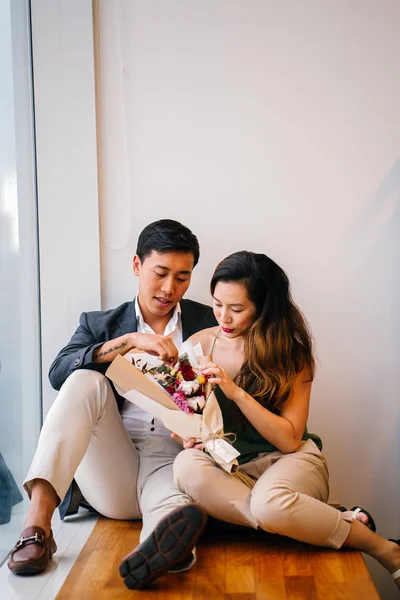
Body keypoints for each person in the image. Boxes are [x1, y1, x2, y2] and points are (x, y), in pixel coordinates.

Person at [128, 250, 400, 589]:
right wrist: (191, 434)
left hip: (289, 460)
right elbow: (193, 414)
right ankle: (312, 518)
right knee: (185, 465)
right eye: (217, 304)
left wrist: (236, 392)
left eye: (237, 309)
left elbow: (288, 439)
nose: (223, 317)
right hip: (232, 469)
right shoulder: (200, 344)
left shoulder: (291, 353)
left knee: (270, 503)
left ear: (263, 307)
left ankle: (385, 549)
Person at [7, 219, 215, 581]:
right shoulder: (100, 324)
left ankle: (159, 552)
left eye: (182, 277)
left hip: (175, 457)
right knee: (84, 379)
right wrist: (129, 341)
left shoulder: (209, 322)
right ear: (137, 265)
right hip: (112, 462)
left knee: (174, 510)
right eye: (160, 273)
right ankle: (37, 526)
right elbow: (59, 372)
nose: (169, 288)